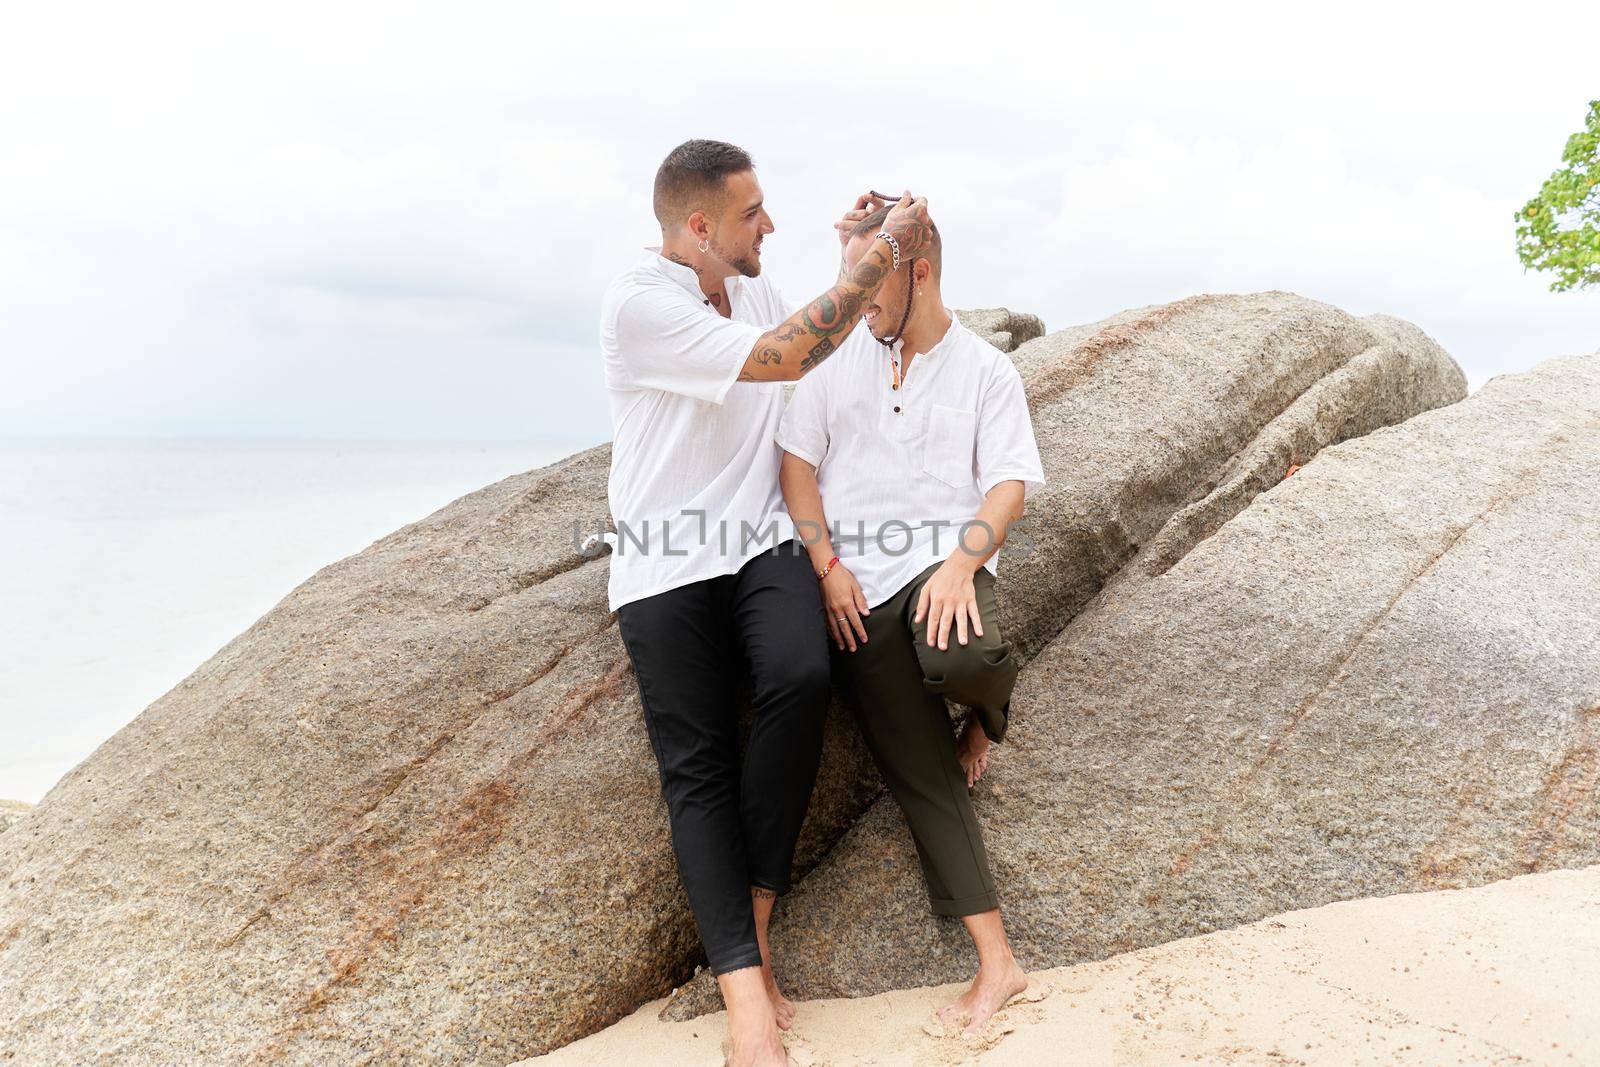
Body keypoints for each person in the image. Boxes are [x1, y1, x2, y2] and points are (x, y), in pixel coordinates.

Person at [598, 141, 933, 1067]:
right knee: (696, 765)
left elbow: (810, 338)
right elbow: (789, 354)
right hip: (663, 560)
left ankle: (749, 918)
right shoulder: (641, 306)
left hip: (757, 539)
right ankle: (748, 1000)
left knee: (799, 672)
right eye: (752, 215)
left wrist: (851, 251)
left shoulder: (742, 284)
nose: (767, 228)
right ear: (698, 228)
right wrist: (885, 248)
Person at [775, 196, 1045, 1036]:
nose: (855, 307)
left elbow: (1009, 484)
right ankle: (999, 963)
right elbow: (797, 469)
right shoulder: (836, 361)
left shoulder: (985, 372)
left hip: (942, 576)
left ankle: (987, 714)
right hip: (858, 595)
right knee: (920, 774)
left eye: (869, 289)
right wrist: (826, 567)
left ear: (917, 271)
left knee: (957, 645)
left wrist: (964, 560)